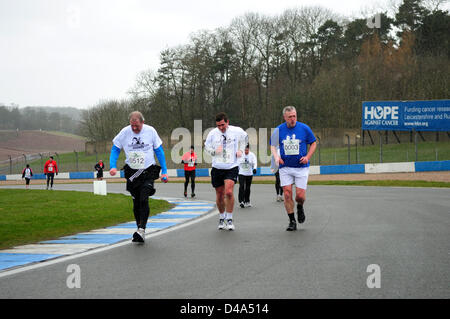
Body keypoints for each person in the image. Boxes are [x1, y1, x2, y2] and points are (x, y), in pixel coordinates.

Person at [109, 111, 169, 244]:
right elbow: (115, 149)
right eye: (132, 126)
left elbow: (159, 151)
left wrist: (164, 171)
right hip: (132, 173)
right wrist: (112, 165)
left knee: (143, 198)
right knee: (136, 203)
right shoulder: (124, 132)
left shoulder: (150, 131)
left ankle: (142, 229)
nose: (135, 129)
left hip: (147, 170)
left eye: (137, 126)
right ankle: (139, 229)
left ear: (143, 122)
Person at [270, 106, 317, 231]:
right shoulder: (279, 130)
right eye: (290, 117)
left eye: (294, 116)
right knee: (286, 194)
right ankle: (292, 221)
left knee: (300, 196)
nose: (292, 119)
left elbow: (313, 143)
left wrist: (307, 156)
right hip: (285, 167)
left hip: (301, 167)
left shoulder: (304, 128)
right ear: (285, 117)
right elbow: (273, 146)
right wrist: (276, 158)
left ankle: (300, 207)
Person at [205, 112, 248, 231]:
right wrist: (214, 151)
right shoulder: (212, 133)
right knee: (219, 195)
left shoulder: (236, 130)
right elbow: (206, 146)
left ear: (227, 122)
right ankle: (221, 216)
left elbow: (246, 138)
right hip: (217, 167)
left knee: (228, 192)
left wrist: (241, 150)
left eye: (223, 125)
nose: (221, 128)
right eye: (218, 125)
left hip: (231, 166)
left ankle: (229, 218)